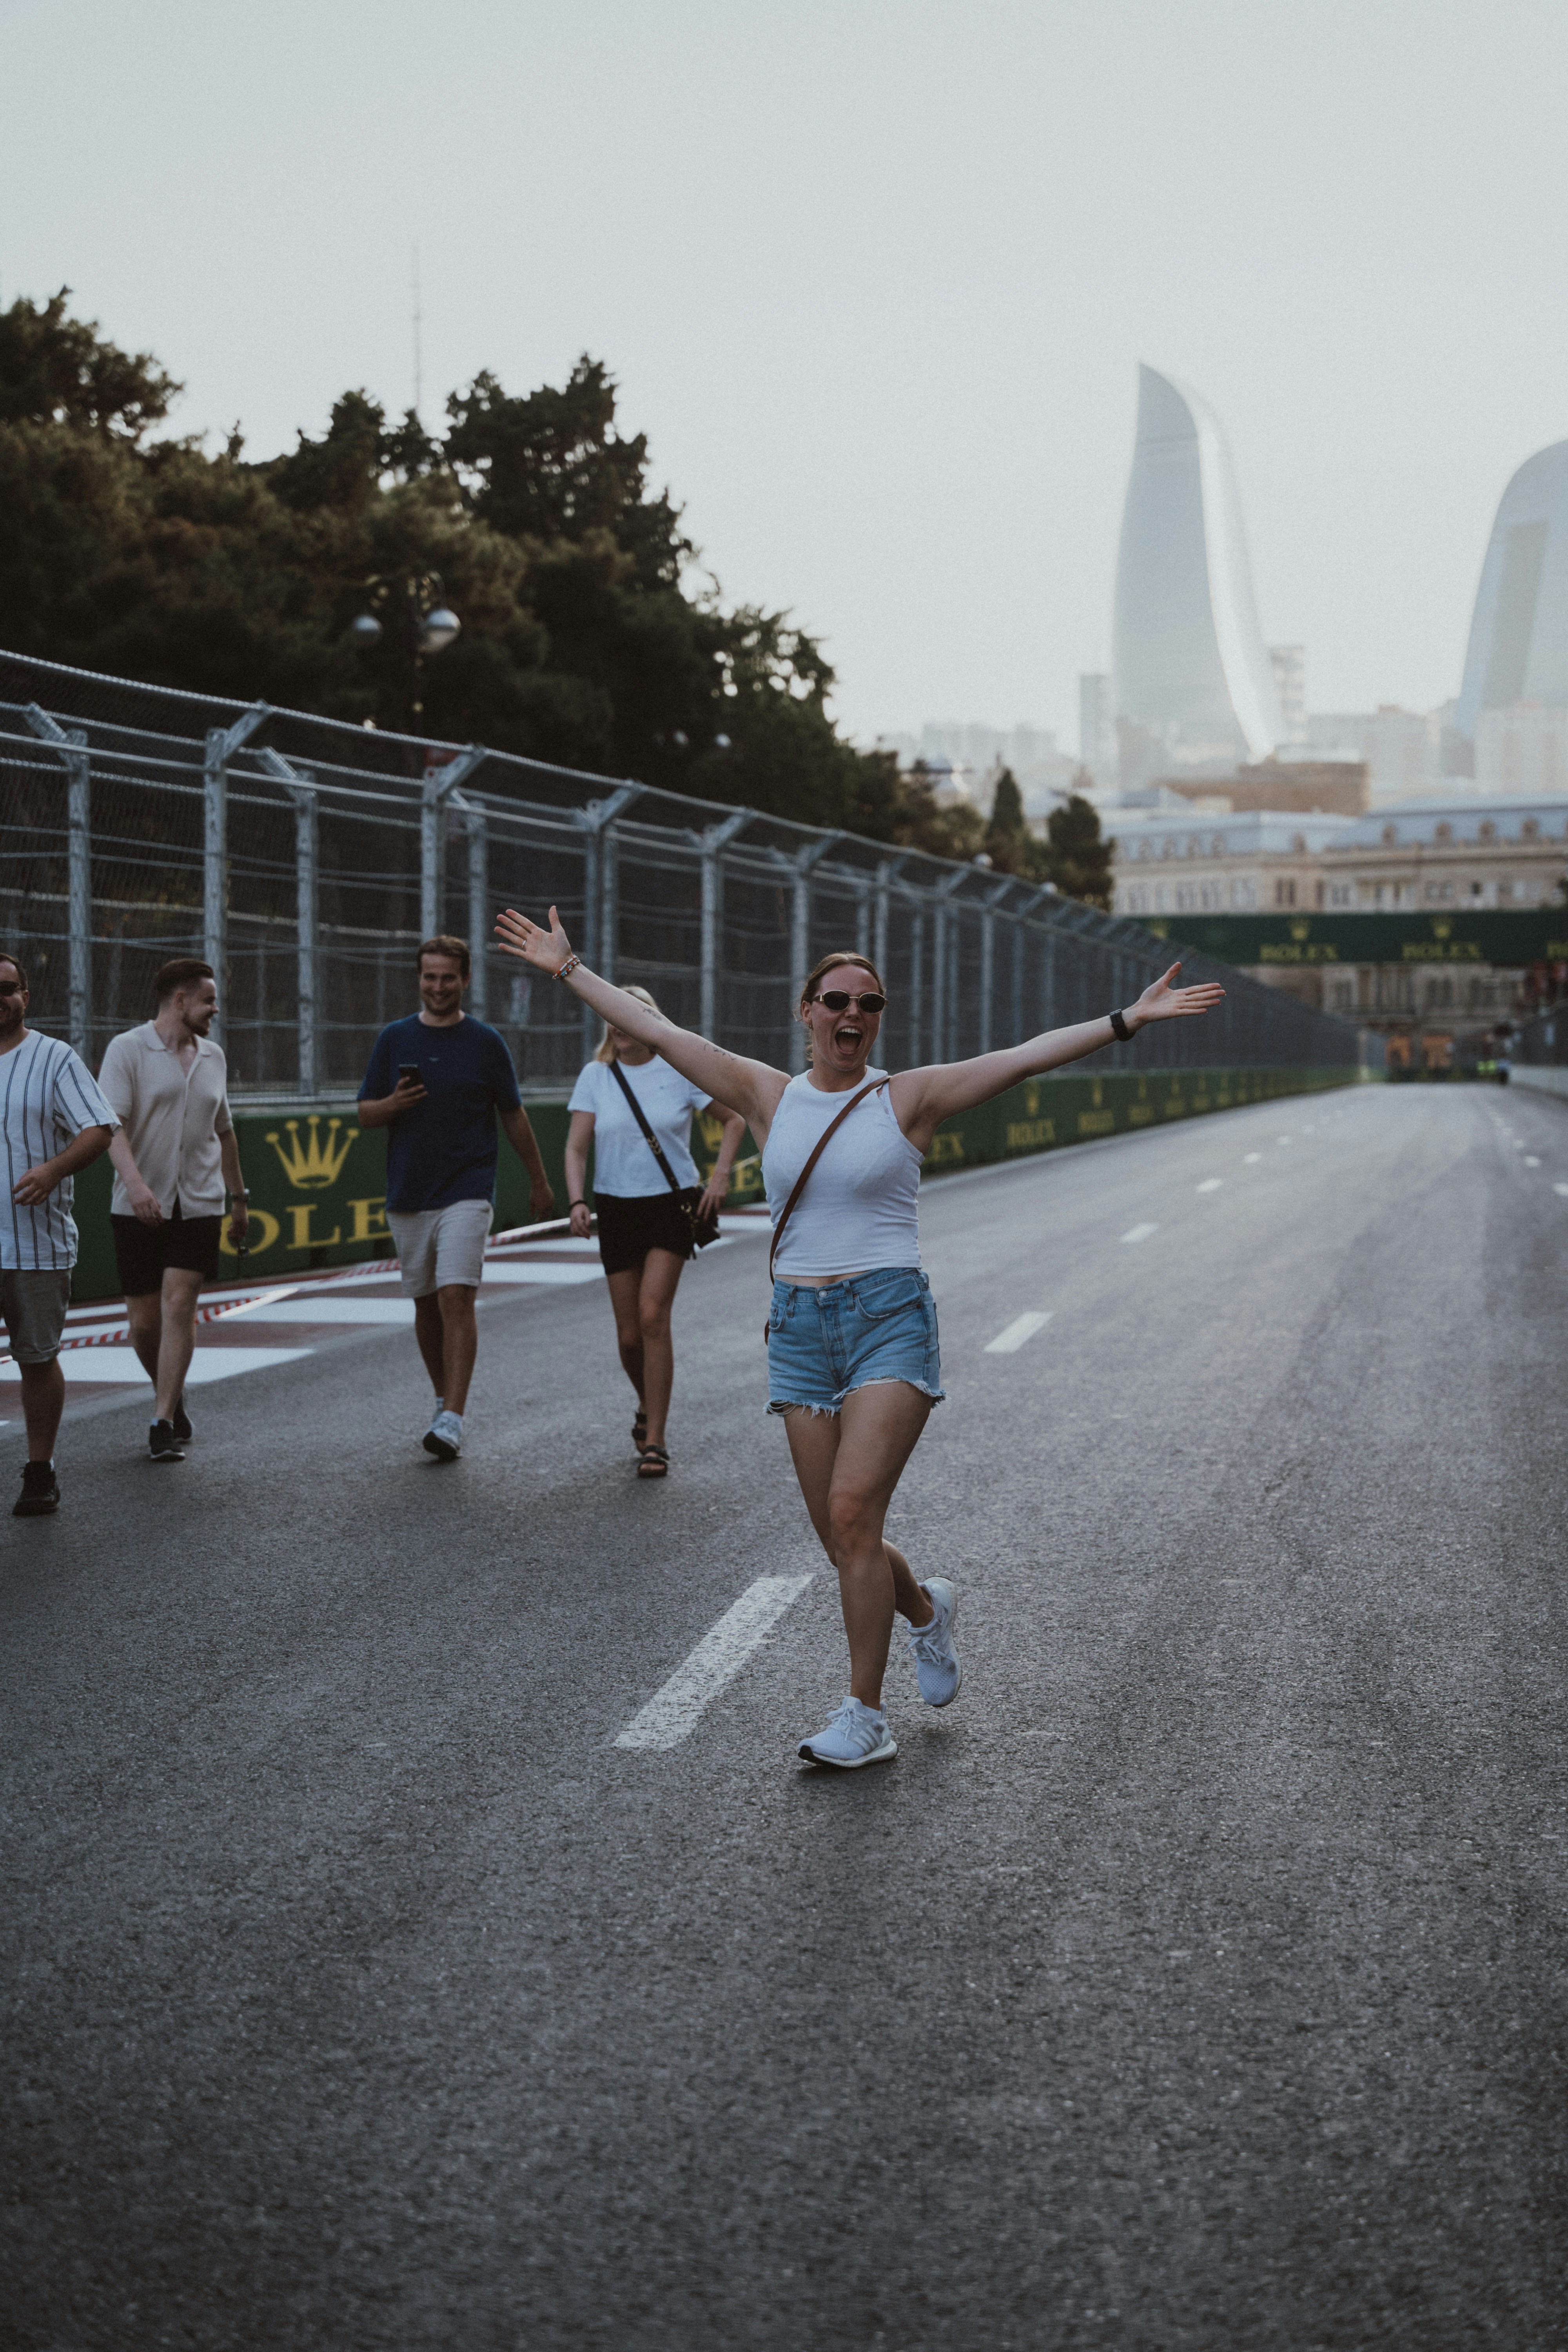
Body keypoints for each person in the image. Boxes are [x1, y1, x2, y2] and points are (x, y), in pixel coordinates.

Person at [496, 904, 1223, 1768]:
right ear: (805, 1012)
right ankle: (924, 1610)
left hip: (889, 1320)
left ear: (877, 1019)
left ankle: (863, 1715)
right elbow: (655, 1028)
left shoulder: (905, 1098)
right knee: (845, 1538)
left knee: (851, 1511)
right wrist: (567, 969)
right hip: (799, 1328)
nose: (851, 1015)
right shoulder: (765, 1094)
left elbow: (1021, 1057)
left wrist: (1123, 1021)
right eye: (835, 1000)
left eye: (868, 1004)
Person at [358, 934, 554, 1462]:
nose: (438, 986)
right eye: (429, 977)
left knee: (455, 1296)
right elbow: (365, 1114)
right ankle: (443, 1397)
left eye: (448, 977)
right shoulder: (394, 1039)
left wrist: (539, 1180)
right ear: (419, 979)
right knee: (425, 1305)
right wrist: (394, 1103)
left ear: (465, 980)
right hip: (409, 1192)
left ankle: (453, 1418)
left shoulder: (486, 1043)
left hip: (468, 1189)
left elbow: (513, 1113)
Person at [565, 985, 744, 1477]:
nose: (618, 1025)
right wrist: (577, 1199)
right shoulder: (596, 1076)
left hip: (671, 1204)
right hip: (616, 1208)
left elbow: (734, 1118)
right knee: (628, 1339)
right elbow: (576, 1148)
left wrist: (720, 1177)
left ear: (650, 1022)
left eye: (629, 1016)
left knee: (652, 1317)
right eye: (611, 1016)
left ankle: (657, 1441)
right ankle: (649, 1403)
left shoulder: (678, 1070)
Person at [99, 958, 249, 1462]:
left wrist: (239, 1199)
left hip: (201, 1203)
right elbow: (111, 1128)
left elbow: (224, 1131)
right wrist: (137, 1186)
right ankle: (172, 1391)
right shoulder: (127, 1050)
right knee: (144, 1324)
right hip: (139, 1204)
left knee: (179, 1302)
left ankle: (162, 1420)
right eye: (208, 999)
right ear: (180, 1000)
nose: (216, 1008)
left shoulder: (214, 1057)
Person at [0, 952, 118, 1516]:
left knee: (36, 1357)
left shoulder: (53, 1058)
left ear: (26, 996)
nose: (0, 998)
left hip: (34, 1244)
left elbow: (99, 1129)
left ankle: (40, 1468)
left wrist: (53, 1170)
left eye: (8, 988)